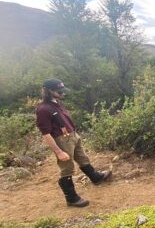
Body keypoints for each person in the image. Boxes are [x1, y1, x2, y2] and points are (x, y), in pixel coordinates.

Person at [36, 78, 112, 208]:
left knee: (82, 158)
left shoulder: (57, 103)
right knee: (67, 168)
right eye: (59, 91)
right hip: (61, 139)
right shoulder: (43, 109)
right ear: (49, 91)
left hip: (72, 136)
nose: (63, 93)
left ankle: (95, 177)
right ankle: (71, 198)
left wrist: (74, 134)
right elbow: (46, 134)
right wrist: (59, 152)